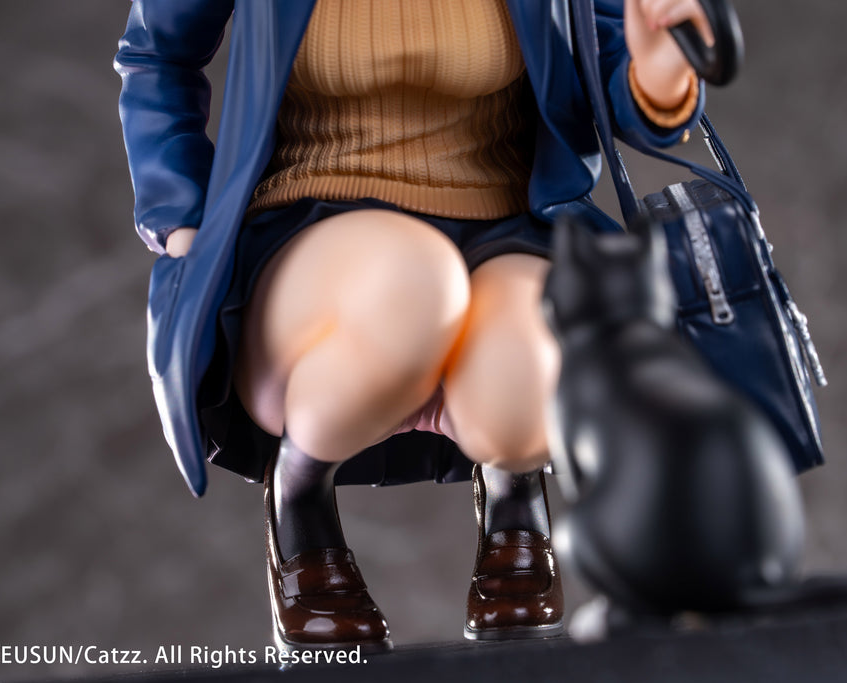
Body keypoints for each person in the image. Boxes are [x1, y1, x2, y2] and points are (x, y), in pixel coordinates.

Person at [116, 0, 711, 652]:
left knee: (535, 374)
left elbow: (617, 73)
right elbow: (157, 55)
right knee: (414, 283)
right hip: (312, 230)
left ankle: (514, 488)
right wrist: (185, 228)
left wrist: (662, 65)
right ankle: (300, 486)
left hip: (507, 227)